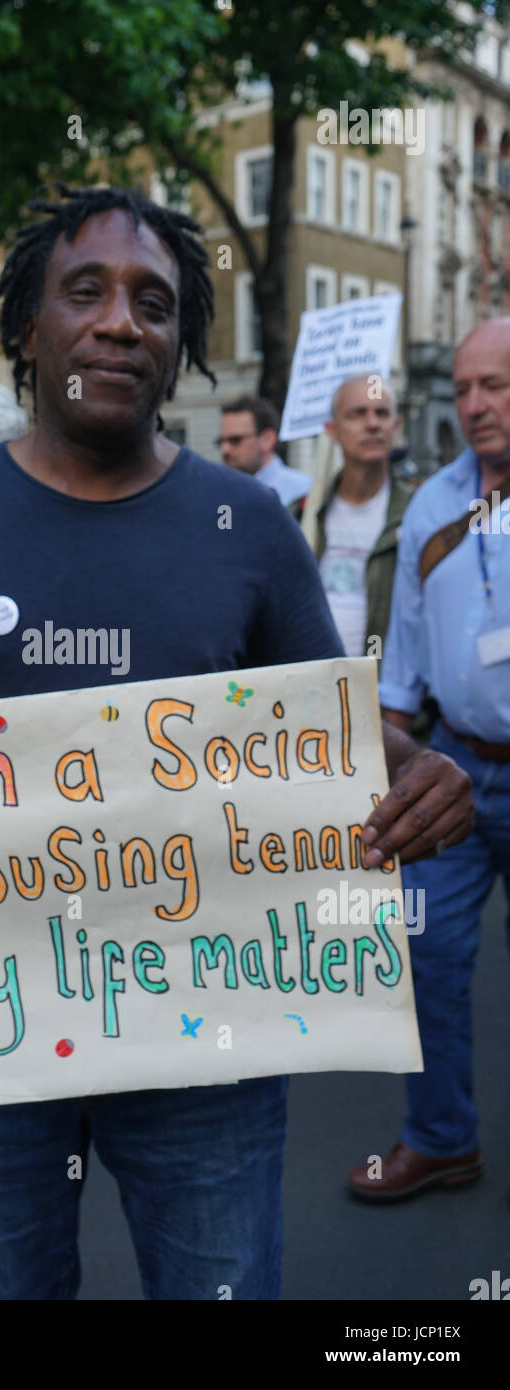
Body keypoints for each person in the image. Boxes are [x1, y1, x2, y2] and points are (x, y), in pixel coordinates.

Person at [0, 186, 473, 1301]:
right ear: (28, 328)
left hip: (215, 1050)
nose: (119, 321)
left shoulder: (247, 529)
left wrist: (424, 773)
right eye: (83, 291)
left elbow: (339, 732)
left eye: (155, 301)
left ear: (181, 339)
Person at [348, 318, 510, 1202]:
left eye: (495, 386)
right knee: (421, 949)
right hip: (452, 765)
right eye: (463, 389)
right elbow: (404, 649)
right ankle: (442, 1139)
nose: (475, 405)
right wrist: (388, 754)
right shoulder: (432, 507)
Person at [313, 375, 412, 660]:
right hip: (315, 687)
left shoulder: (417, 514)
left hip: (384, 691)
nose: (372, 424)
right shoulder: (303, 514)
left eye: (381, 413)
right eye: (357, 414)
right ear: (331, 429)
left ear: (396, 426)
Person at [217, 395, 311, 517]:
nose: (225, 449)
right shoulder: (220, 495)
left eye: (235, 440)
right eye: (220, 441)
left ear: (268, 440)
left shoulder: (302, 491)